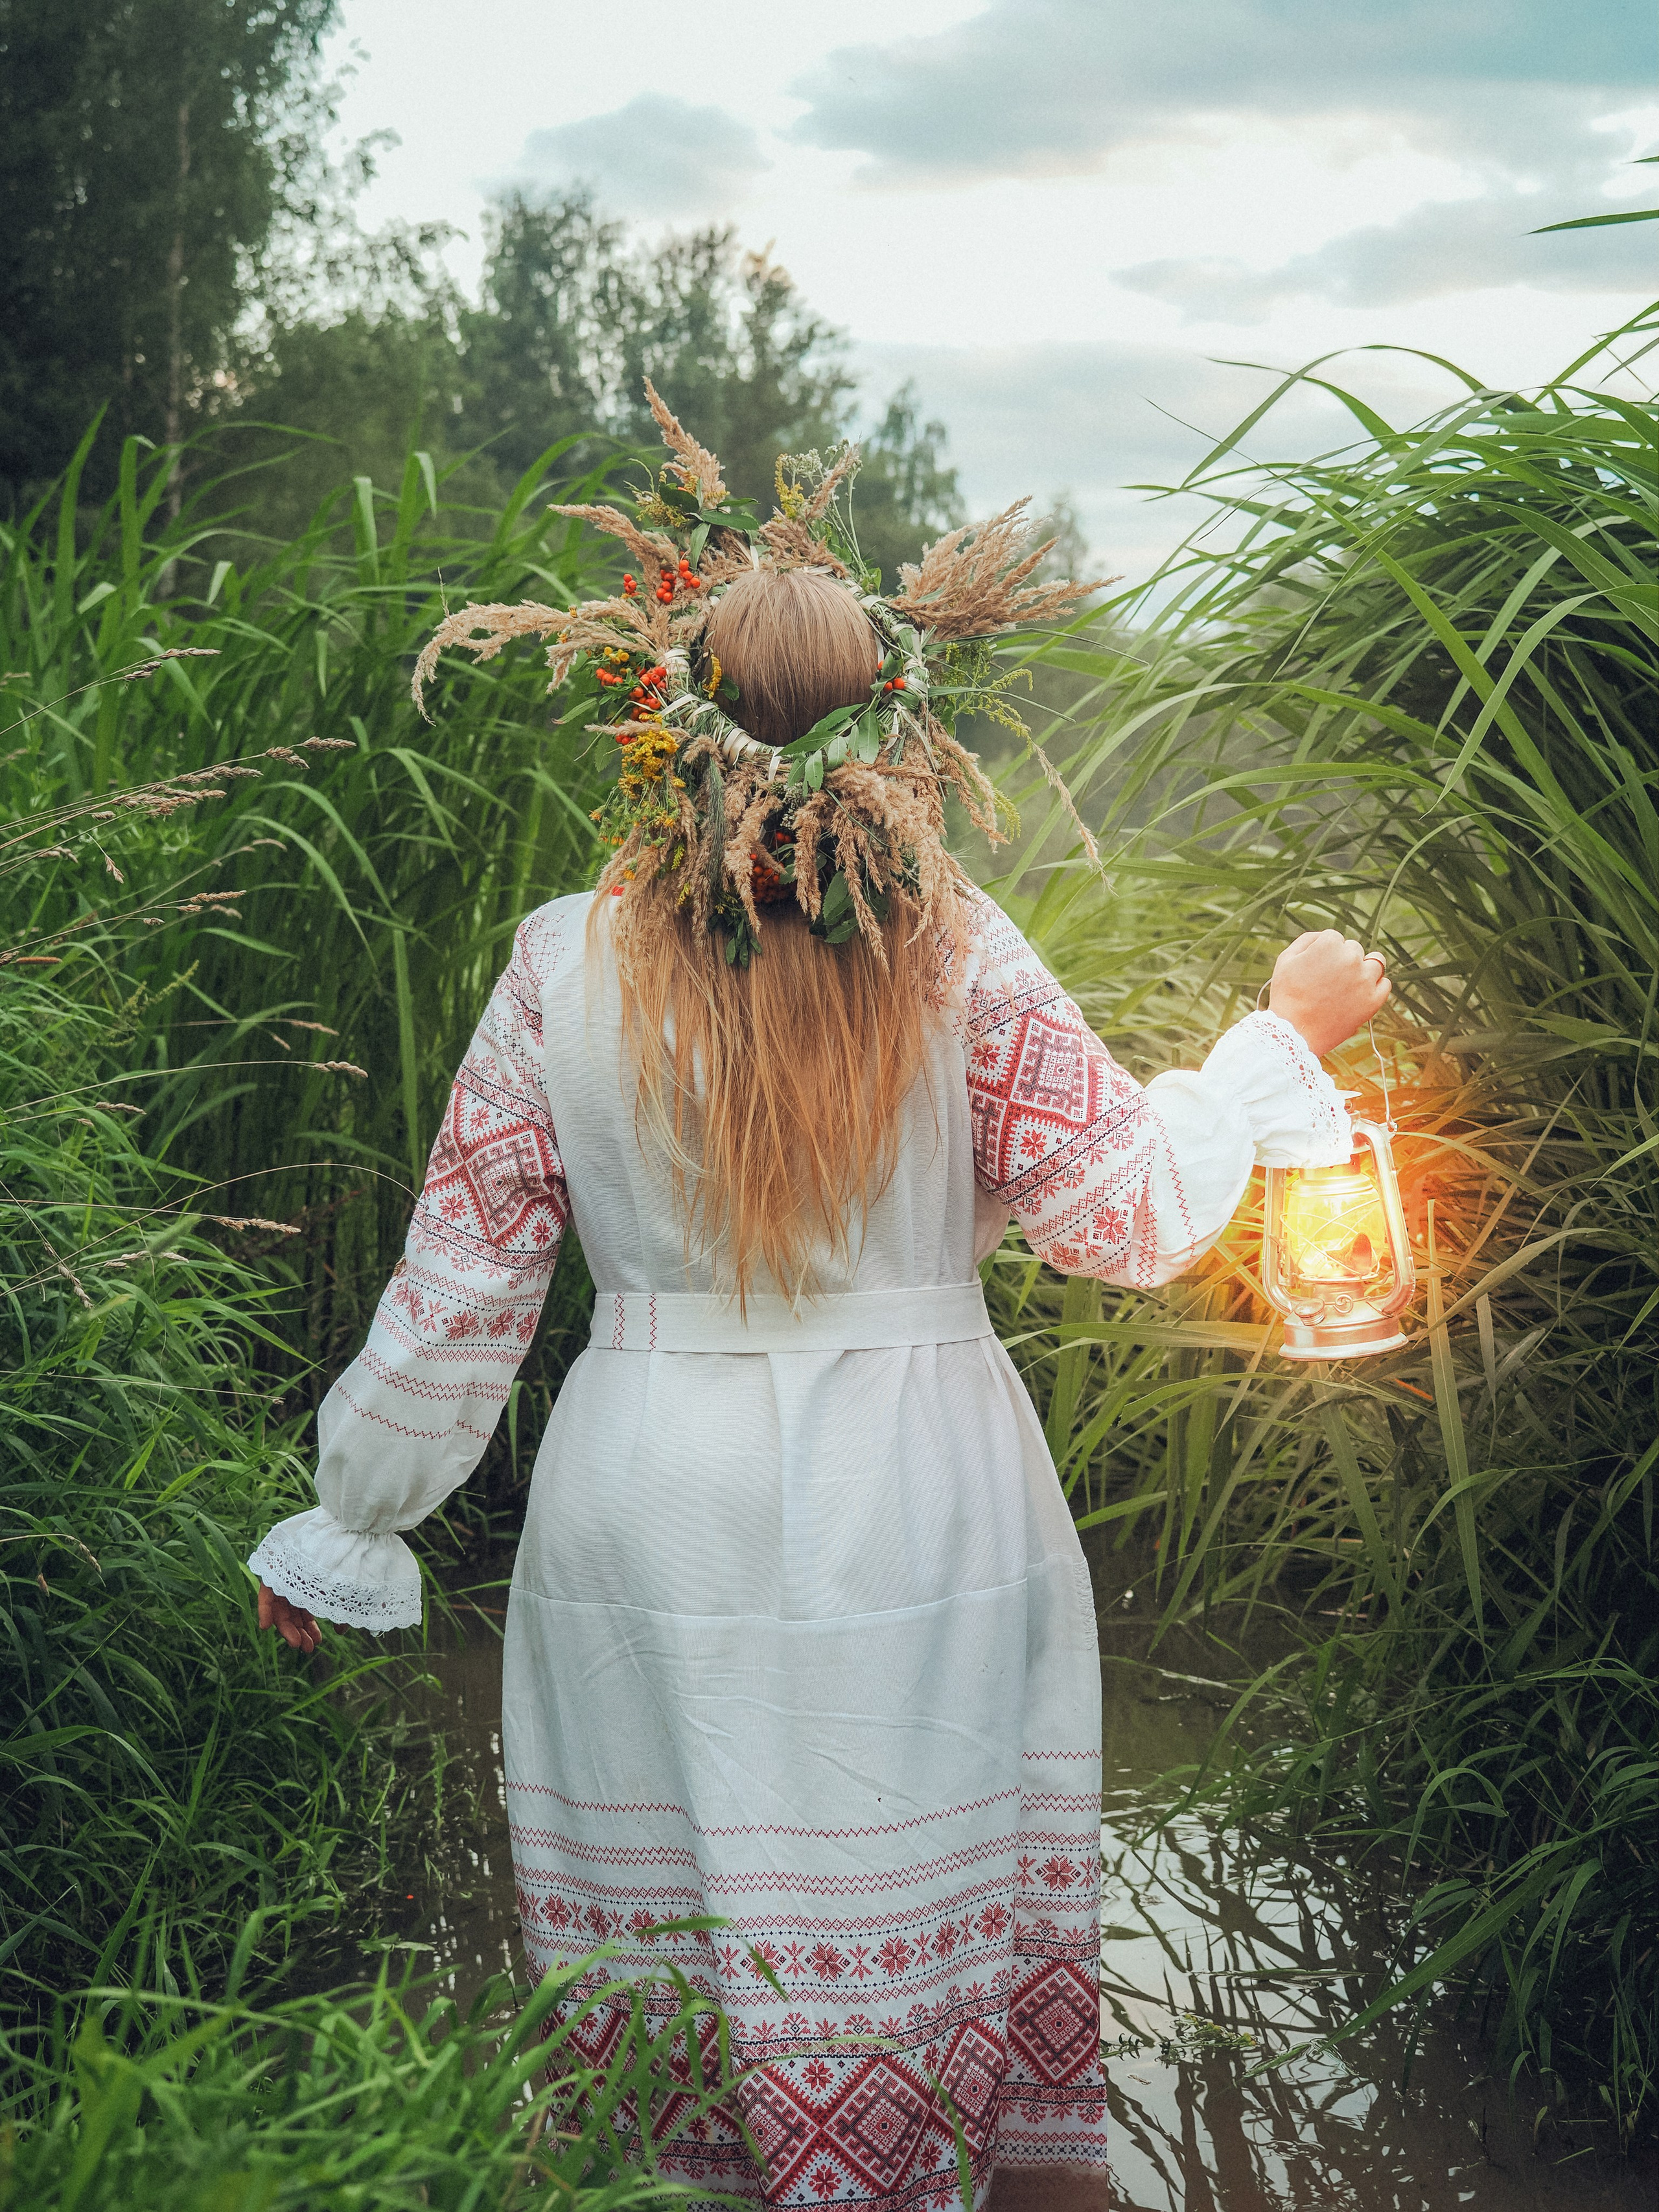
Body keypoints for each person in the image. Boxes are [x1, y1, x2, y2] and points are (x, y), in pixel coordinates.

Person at [249, 394, 1389, 2212]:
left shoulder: (559, 969)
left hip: (645, 1503)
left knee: (677, 1971)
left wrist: (348, 1516)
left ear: (662, 731)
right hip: (923, 1489)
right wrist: (1282, 1040)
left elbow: (458, 1288)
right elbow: (1131, 1216)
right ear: (898, 732)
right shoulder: (955, 951)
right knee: (908, 1926)